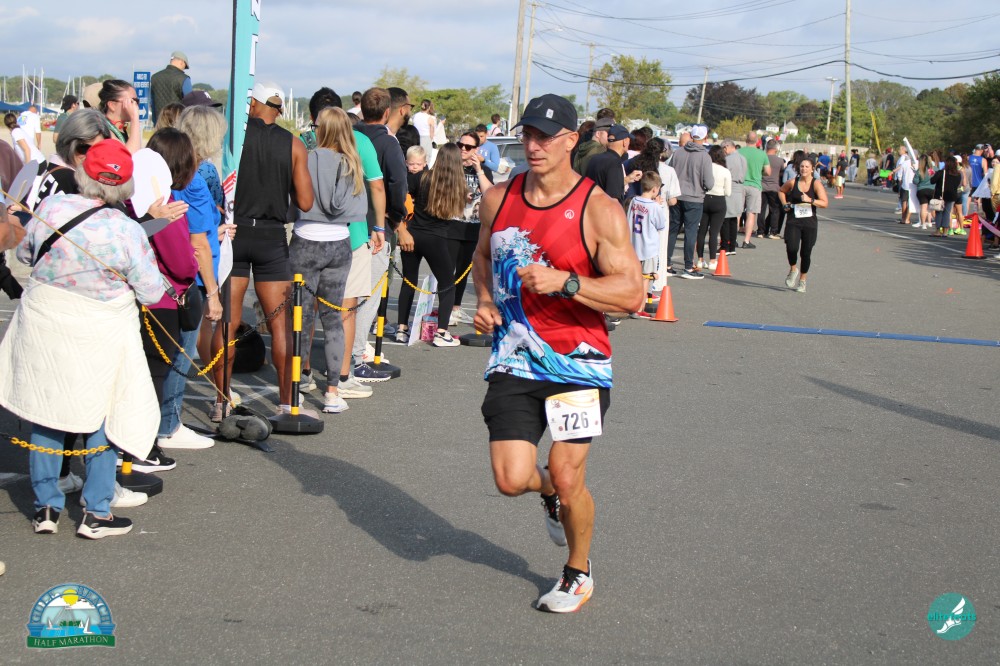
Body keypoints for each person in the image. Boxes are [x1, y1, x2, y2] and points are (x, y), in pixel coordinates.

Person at [472, 93, 644, 613]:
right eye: (528, 134)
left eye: (545, 137)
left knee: (570, 475)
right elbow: (483, 256)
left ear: (571, 141)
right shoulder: (498, 198)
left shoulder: (599, 208)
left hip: (578, 361)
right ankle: (546, 492)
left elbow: (632, 294)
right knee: (510, 480)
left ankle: (577, 570)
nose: (534, 145)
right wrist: (484, 300)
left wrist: (566, 282)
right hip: (515, 356)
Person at [0, 140, 165, 538]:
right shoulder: (126, 229)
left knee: (47, 409)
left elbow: (25, 256)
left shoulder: (52, 208)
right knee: (102, 414)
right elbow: (151, 291)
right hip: (99, 329)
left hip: (46, 321)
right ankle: (97, 511)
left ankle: (46, 506)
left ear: (83, 173)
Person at [210, 82, 314, 420]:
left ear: (253, 104)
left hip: (235, 231)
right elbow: (306, 201)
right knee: (281, 326)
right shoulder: (294, 143)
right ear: (280, 109)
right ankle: (287, 402)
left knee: (227, 322)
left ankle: (221, 402)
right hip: (271, 235)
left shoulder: (234, 139)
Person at [158, 106, 230, 450]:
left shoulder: (166, 175)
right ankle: (168, 426)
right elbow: (199, 242)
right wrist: (213, 294)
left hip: (162, 274)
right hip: (191, 279)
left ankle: (161, 422)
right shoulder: (197, 180)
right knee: (180, 356)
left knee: (162, 355)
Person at [291, 106, 368, 414]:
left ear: (320, 129)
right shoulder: (352, 164)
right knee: (333, 318)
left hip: (306, 239)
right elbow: (356, 209)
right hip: (339, 242)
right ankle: (333, 392)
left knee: (301, 317)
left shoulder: (307, 158)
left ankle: (296, 387)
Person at [394, 143, 463, 347]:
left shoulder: (422, 177)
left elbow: (400, 195)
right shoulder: (456, 186)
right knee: (447, 284)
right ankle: (441, 332)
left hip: (413, 234)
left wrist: (402, 225)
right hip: (436, 238)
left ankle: (401, 328)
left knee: (409, 281)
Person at [449, 131, 493, 326]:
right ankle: (445, 309)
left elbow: (490, 194)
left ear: (477, 149)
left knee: (463, 271)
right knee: (447, 271)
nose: (463, 150)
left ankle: (456, 308)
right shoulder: (451, 166)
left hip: (472, 228)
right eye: (460, 145)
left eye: (468, 147)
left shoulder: (482, 170)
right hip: (451, 224)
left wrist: (479, 170)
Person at [668, 124, 713, 279]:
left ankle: (667, 264)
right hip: (694, 198)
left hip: (676, 196)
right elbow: (709, 183)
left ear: (691, 136)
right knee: (690, 232)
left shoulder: (678, 152)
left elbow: (671, 172)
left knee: (673, 230)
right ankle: (688, 266)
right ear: (705, 138)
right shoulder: (705, 156)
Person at [779, 157, 828, 293]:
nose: (804, 169)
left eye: (807, 166)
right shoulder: (793, 182)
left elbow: (824, 203)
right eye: (802, 166)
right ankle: (793, 269)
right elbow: (781, 191)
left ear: (812, 169)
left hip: (809, 223)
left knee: (806, 252)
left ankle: (802, 280)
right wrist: (784, 204)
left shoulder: (816, 184)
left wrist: (810, 200)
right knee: (791, 248)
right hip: (793, 221)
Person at [628, 171, 666, 302]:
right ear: (655, 189)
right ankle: (640, 305)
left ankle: (632, 302)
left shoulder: (634, 201)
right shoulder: (655, 207)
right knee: (646, 278)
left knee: (634, 277)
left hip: (634, 246)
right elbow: (661, 226)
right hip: (649, 249)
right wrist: (659, 205)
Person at [695, 144, 731, 271]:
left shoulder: (705, 167)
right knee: (714, 232)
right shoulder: (725, 171)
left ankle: (700, 260)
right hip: (719, 201)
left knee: (701, 231)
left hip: (704, 199)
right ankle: (712, 261)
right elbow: (728, 192)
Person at [586, 124, 639, 204]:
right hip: (604, 209)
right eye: (629, 140)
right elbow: (613, 199)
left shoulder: (595, 158)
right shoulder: (614, 163)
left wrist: (627, 179)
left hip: (590, 206)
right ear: (624, 142)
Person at [737, 131, 771, 247]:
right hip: (755, 185)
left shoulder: (738, 152)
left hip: (740, 184)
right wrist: (759, 172)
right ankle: (746, 241)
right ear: (757, 141)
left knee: (737, 212)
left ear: (746, 140)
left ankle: (733, 239)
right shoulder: (762, 154)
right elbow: (768, 172)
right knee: (751, 213)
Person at [97, 79, 143, 154]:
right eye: (132, 101)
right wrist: (134, 117)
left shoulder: (120, 128)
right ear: (112, 105)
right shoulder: (102, 129)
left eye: (137, 101)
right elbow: (129, 156)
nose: (135, 106)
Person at [150, 50, 193, 123]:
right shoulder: (184, 79)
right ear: (182, 62)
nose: (184, 69)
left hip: (159, 123)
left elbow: (152, 103)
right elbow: (190, 103)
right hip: (177, 123)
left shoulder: (154, 77)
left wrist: (155, 123)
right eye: (185, 66)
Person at [721, 140, 747, 256]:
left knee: (726, 218)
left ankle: (725, 246)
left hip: (730, 187)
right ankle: (732, 246)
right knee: (734, 218)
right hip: (740, 188)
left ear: (726, 147)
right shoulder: (743, 158)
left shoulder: (728, 159)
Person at [930, 156, 962, 237]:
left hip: (941, 195)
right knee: (947, 213)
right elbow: (957, 184)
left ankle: (938, 230)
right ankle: (945, 231)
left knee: (939, 213)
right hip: (952, 195)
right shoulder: (958, 174)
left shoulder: (941, 172)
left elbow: (932, 181)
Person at [760, 140, 784, 238]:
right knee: (775, 210)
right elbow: (782, 171)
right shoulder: (780, 160)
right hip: (774, 187)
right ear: (776, 149)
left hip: (762, 186)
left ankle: (760, 231)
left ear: (766, 147)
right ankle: (773, 231)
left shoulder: (762, 158)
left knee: (761, 210)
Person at [910, 155, 935, 230]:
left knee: (923, 208)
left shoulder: (919, 171)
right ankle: (932, 222)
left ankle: (923, 224)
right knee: (932, 208)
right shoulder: (932, 169)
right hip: (932, 189)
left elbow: (915, 181)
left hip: (921, 190)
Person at [893, 145, 914, 224]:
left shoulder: (904, 159)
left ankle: (903, 218)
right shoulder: (916, 163)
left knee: (904, 201)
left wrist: (894, 172)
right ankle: (907, 219)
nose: (899, 151)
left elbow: (900, 171)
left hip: (905, 184)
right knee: (910, 202)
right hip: (912, 185)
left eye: (900, 149)